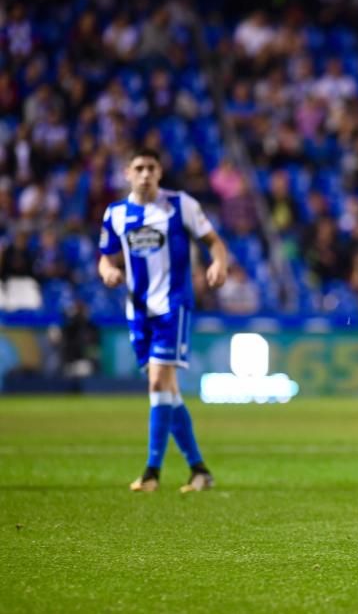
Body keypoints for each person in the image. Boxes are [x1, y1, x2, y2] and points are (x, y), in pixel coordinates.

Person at [98, 148, 230, 493]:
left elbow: (214, 242)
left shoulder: (180, 204)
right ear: (127, 172)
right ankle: (199, 470)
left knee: (158, 383)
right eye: (138, 168)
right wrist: (109, 271)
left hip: (174, 305)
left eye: (151, 168)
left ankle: (151, 472)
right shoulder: (114, 214)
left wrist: (218, 263)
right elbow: (105, 258)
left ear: (160, 172)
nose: (145, 174)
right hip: (138, 311)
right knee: (167, 391)